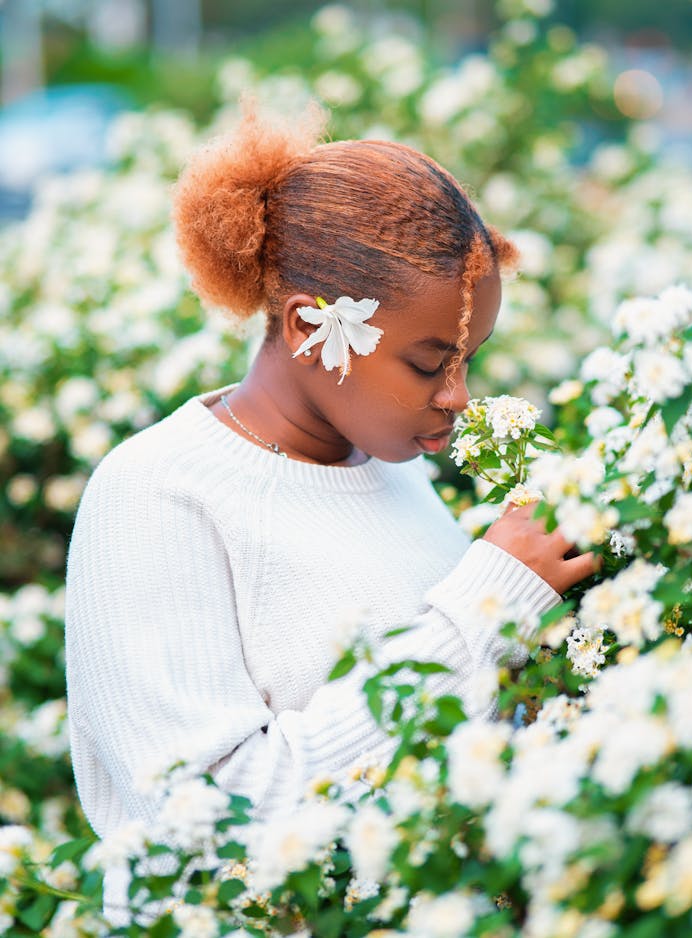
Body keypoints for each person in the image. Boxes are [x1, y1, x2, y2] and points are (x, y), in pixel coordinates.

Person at [64, 104, 595, 921]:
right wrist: (489, 606)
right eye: (427, 363)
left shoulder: (388, 468)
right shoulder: (157, 495)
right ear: (311, 327)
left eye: (468, 360)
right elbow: (211, 818)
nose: (458, 398)